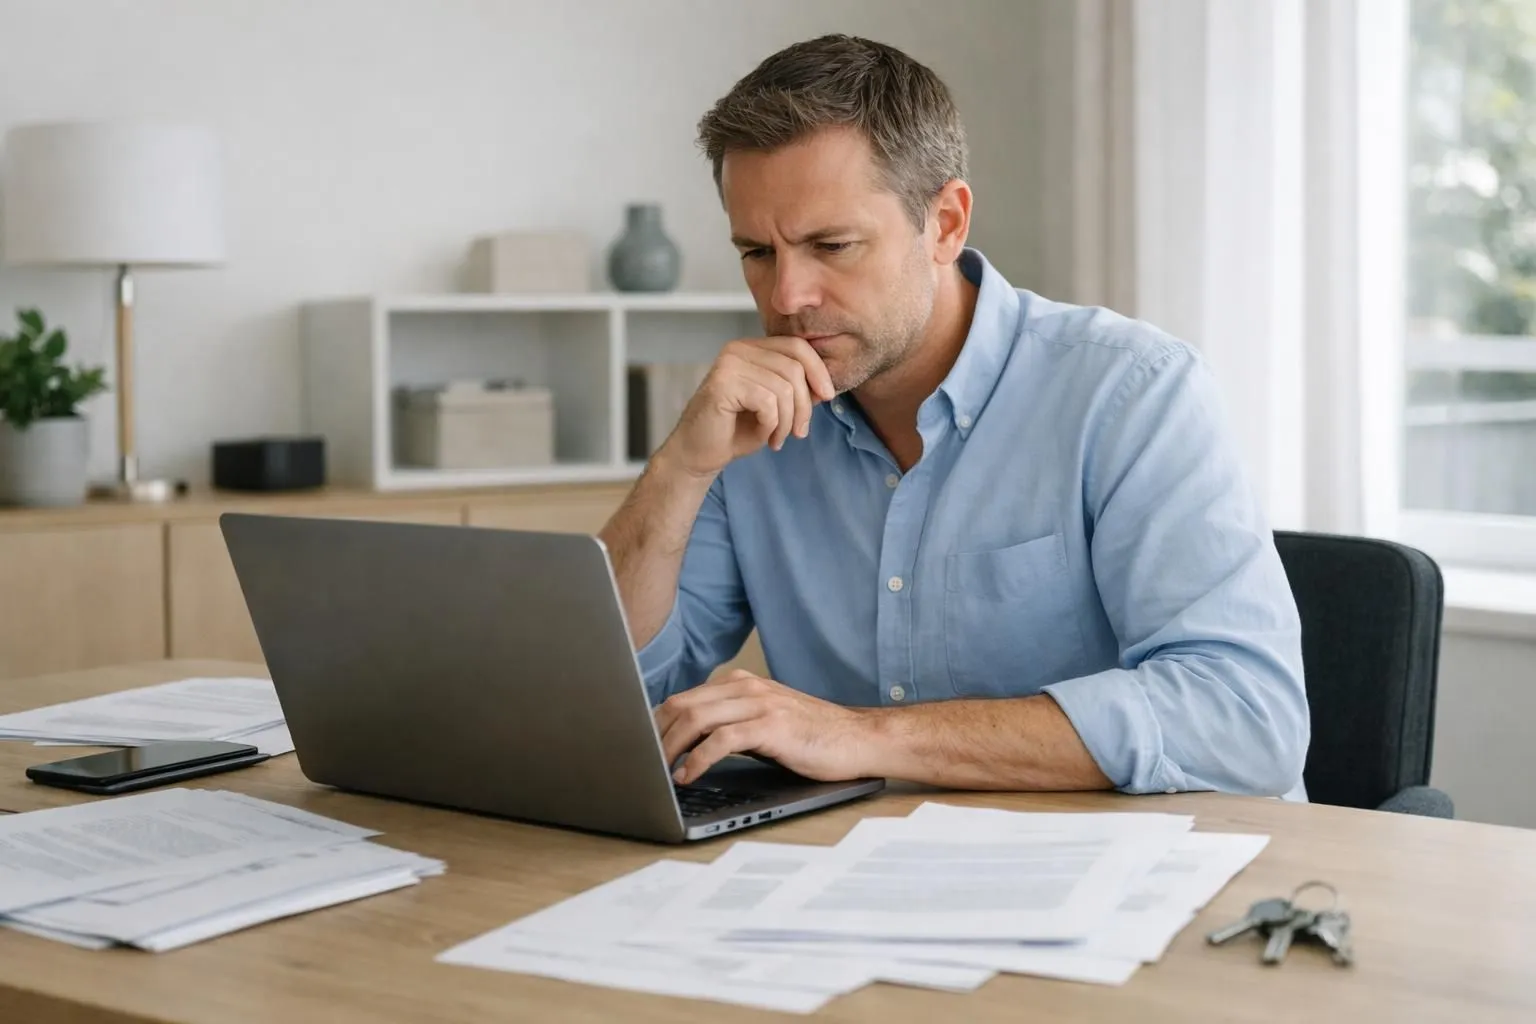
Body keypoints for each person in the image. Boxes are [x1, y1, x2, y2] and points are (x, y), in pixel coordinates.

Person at [597, 34, 1309, 800]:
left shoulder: (1132, 393)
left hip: (1132, 860)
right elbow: (610, 698)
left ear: (945, 223)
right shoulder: (753, 422)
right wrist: (679, 468)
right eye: (757, 253)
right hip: (857, 861)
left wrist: (861, 736)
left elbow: (1245, 720)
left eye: (832, 245)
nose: (787, 297)